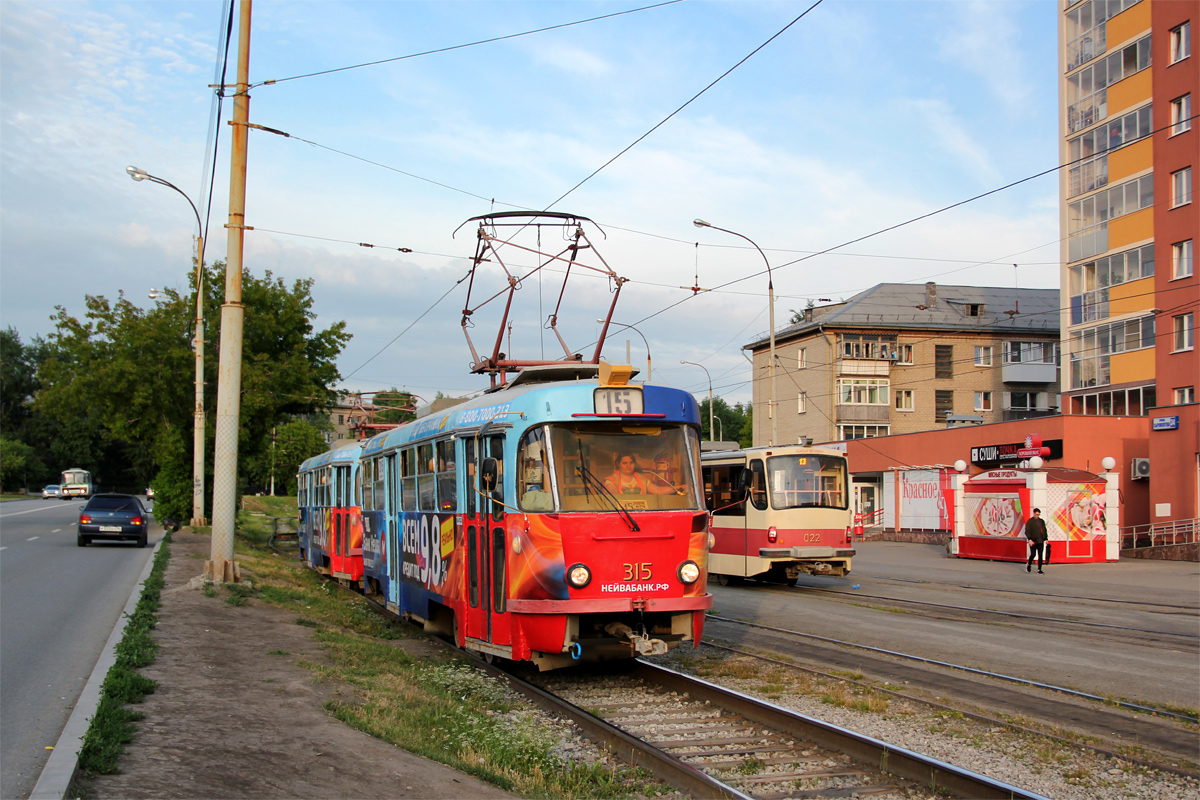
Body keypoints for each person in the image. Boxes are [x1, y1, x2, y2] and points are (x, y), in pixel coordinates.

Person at [604, 452, 680, 496]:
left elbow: (658, 490)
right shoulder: (611, 480)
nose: (628, 466)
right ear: (618, 464)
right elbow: (613, 495)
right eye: (625, 463)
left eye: (631, 463)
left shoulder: (641, 478)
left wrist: (679, 488)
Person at [1025, 508, 1048, 574]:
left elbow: (1044, 530)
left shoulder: (1041, 521)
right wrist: (1029, 539)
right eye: (1036, 514)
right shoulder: (1030, 521)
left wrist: (1046, 539)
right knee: (1033, 554)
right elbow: (1027, 531)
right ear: (1034, 513)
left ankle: (1039, 569)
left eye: (1038, 514)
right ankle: (1029, 564)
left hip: (1040, 541)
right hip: (1033, 541)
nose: (1037, 516)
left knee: (1040, 555)